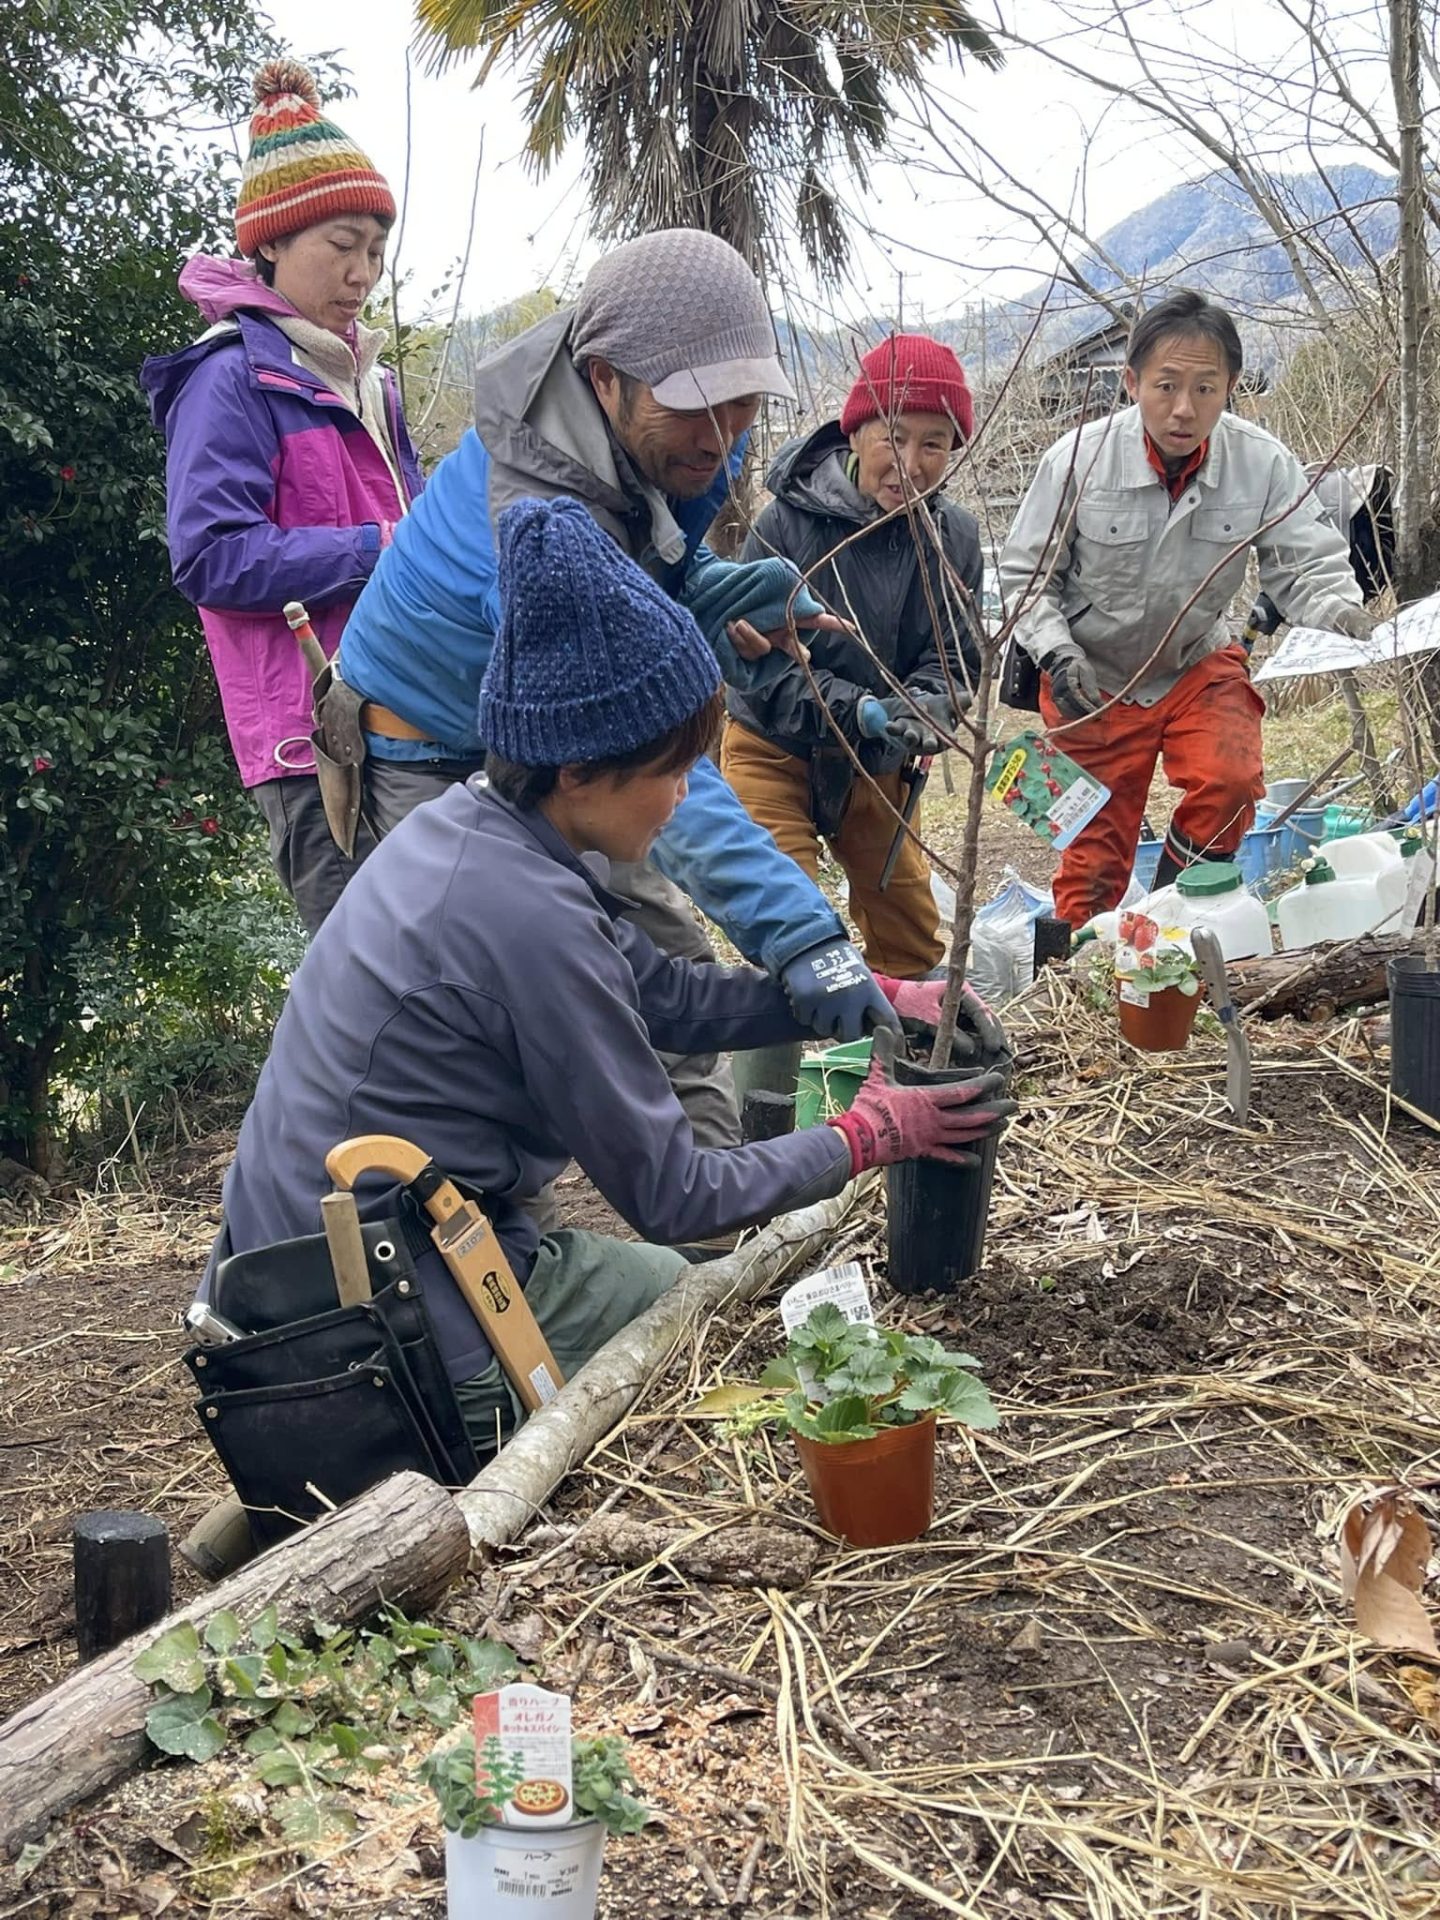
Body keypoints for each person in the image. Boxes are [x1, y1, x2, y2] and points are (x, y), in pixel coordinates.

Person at [208, 497, 1014, 1452]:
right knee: (691, 1318)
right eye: (673, 772)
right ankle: (478, 1435)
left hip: (301, 1280)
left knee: (667, 1286)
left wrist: (876, 997)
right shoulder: (528, 916)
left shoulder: (475, 829)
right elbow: (678, 1195)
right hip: (375, 1338)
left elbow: (663, 996)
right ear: (581, 769)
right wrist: (870, 1133)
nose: (683, 800)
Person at [332, 228, 896, 1148]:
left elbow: (639, 585)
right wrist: (800, 930)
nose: (723, 433)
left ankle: (721, 1261)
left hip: (559, 745)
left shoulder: (640, 445)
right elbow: (646, 748)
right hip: (426, 756)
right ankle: (512, 1274)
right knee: (491, 1035)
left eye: (744, 403)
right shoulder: (534, 519)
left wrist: (708, 598)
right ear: (604, 380)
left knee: (667, 969)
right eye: (694, 408)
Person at [141, 60, 421, 934]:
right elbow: (210, 556)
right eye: (341, 246)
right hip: (312, 743)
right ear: (270, 242)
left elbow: (417, 527)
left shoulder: (369, 382)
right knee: (382, 995)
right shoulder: (228, 378)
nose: (363, 274)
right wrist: (379, 551)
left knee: (457, 982)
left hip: (413, 719)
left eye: (375, 251)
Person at [998, 290, 1369, 932]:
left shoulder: (1261, 463)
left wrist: (1342, 610)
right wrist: (1055, 652)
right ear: (1131, 382)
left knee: (1229, 781)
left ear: (1230, 387)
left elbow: (1304, 561)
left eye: (1206, 388)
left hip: (1195, 664)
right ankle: (1087, 983)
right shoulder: (1075, 461)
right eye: (1166, 385)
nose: (1183, 409)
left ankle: (1175, 915)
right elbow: (1026, 578)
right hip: (1089, 678)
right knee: (1090, 868)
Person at [724, 334, 983, 983]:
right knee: (787, 921)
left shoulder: (954, 537)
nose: (912, 462)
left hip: (877, 762)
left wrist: (926, 703)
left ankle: (897, 1062)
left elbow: (955, 654)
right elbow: (757, 666)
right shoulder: (784, 525)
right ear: (856, 433)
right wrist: (856, 707)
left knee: (909, 933)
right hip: (774, 745)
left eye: (935, 444)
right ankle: (774, 1083)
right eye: (894, 437)